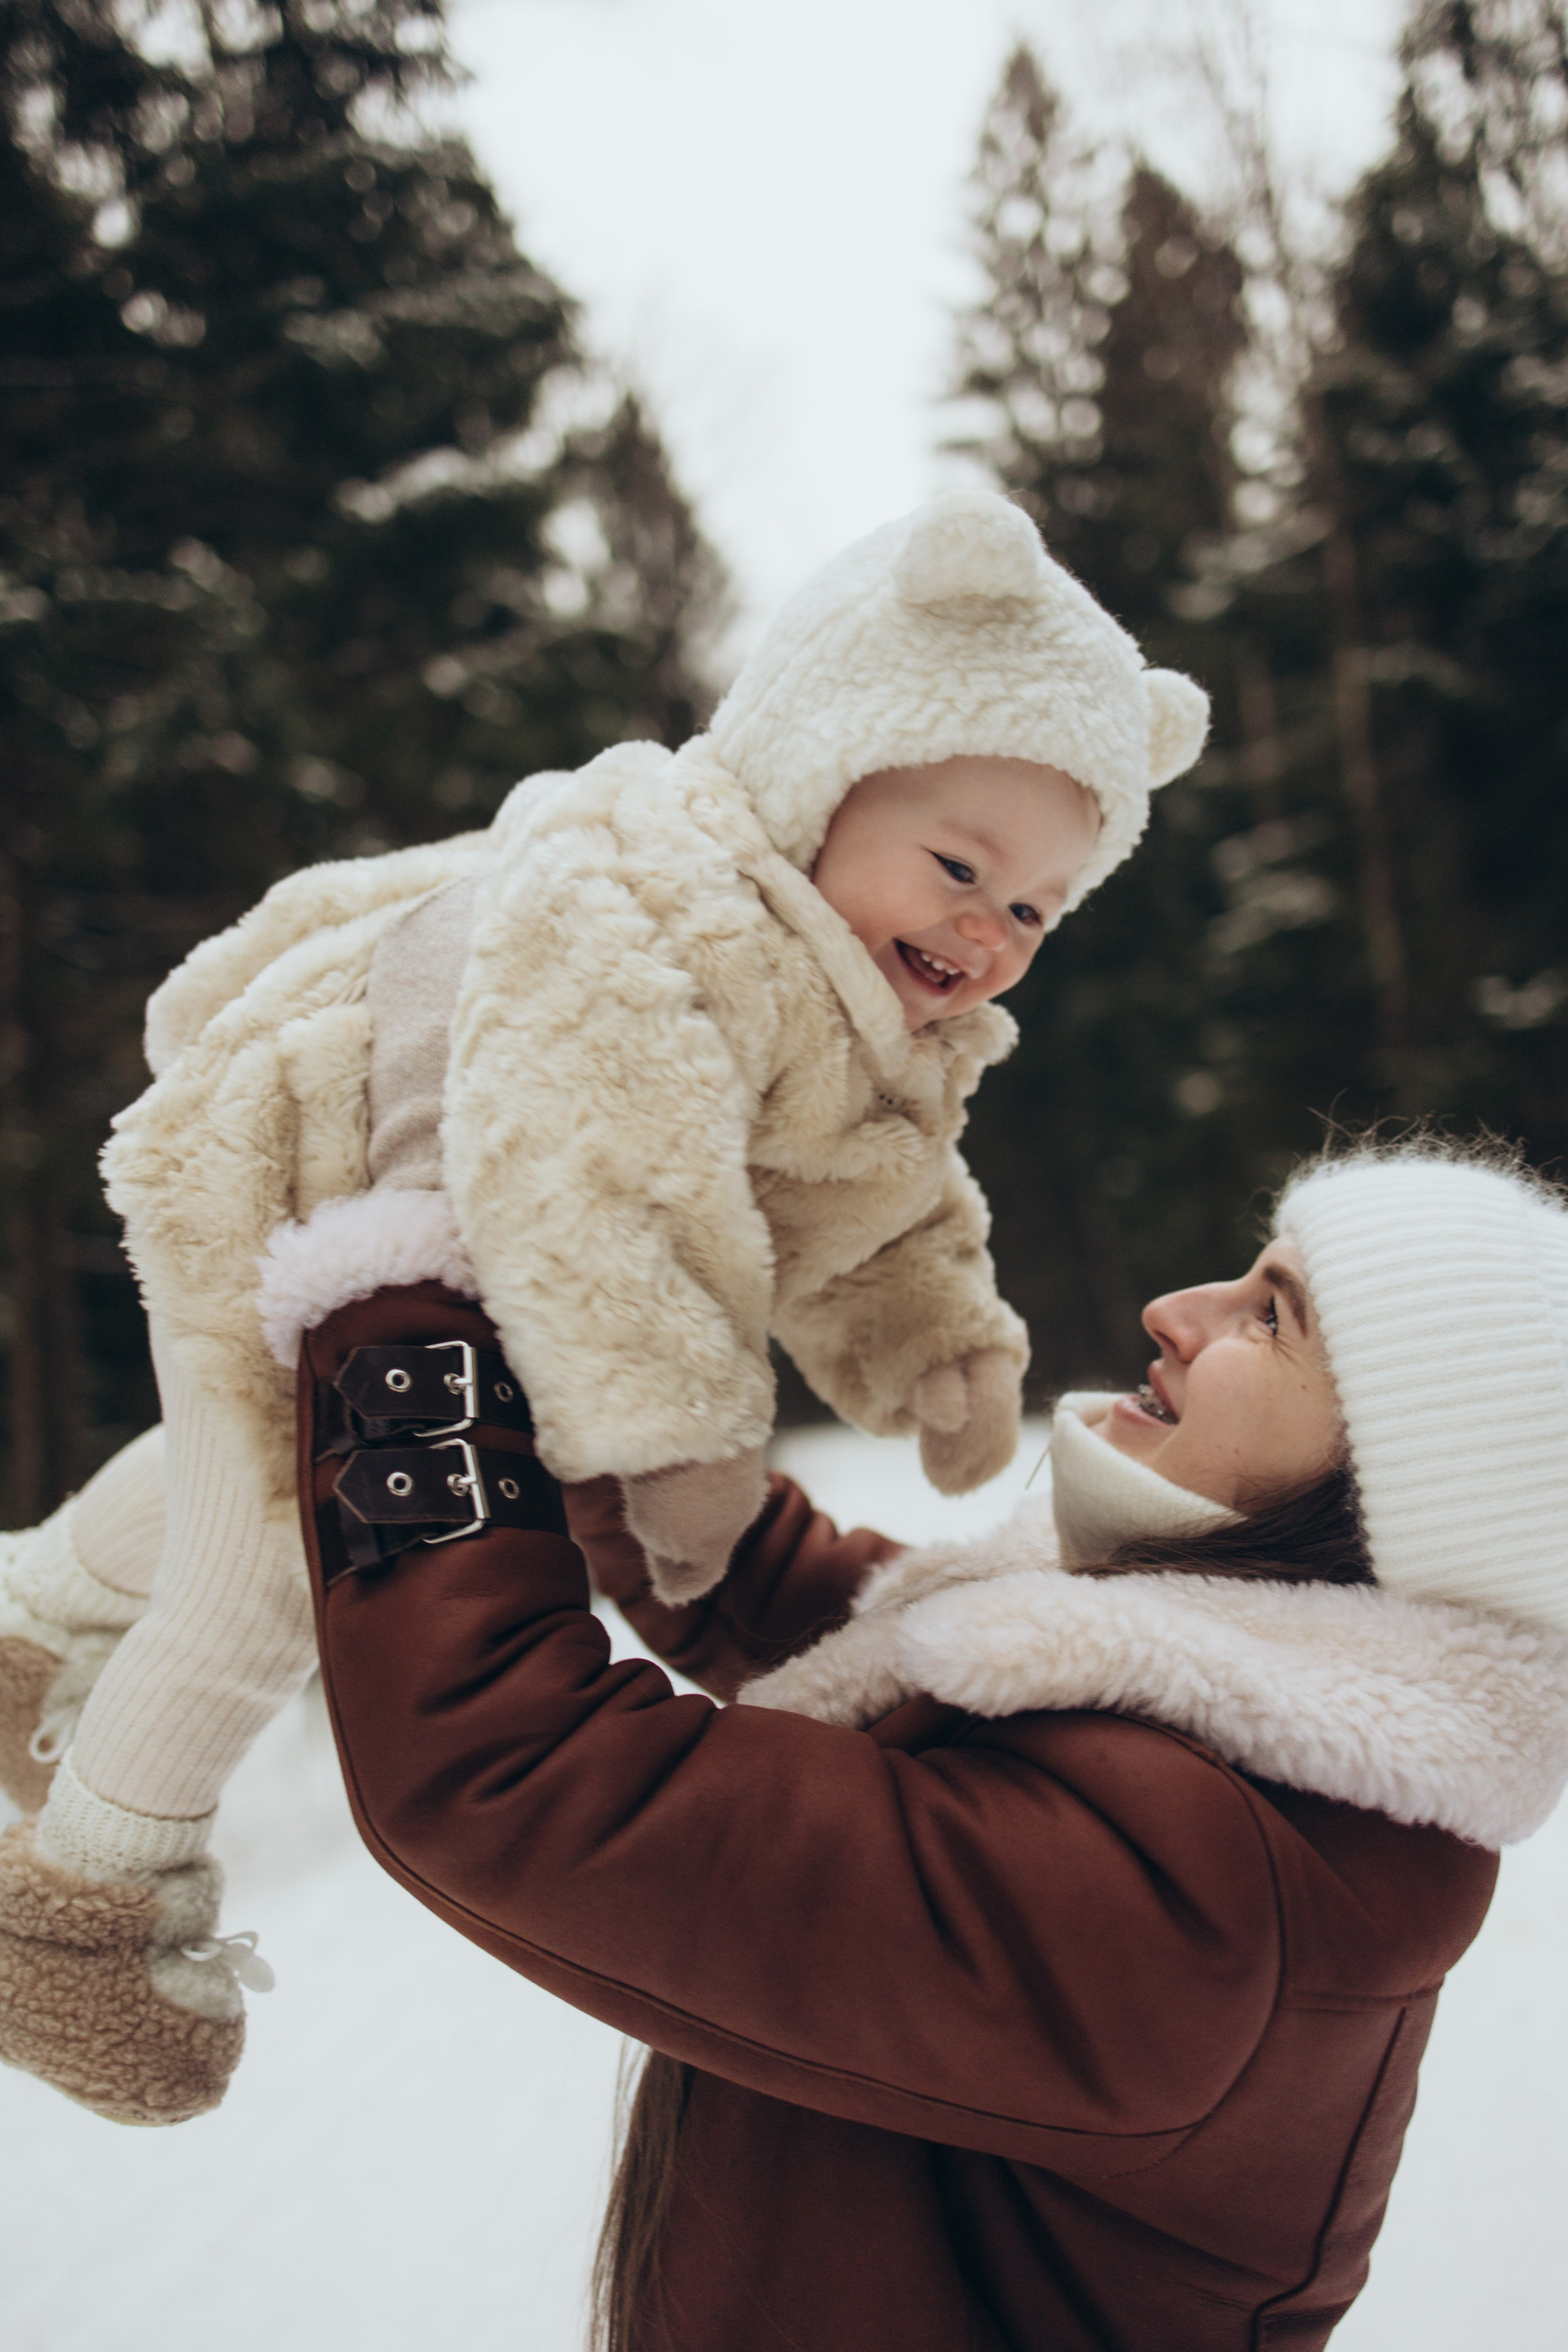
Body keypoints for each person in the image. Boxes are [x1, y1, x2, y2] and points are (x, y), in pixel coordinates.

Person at [0, 486, 1210, 2124]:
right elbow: (616, 1201)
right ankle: (74, 1920)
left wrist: (939, 1343)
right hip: (303, 1173)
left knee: (264, 1469)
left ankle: (25, 1623)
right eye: (958, 865)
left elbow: (866, 1199)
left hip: (447, 1241)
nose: (988, 932)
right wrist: (684, 1457)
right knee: (277, 1571)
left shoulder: (856, 1009)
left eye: (1036, 909)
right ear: (817, 773)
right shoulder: (654, 907)